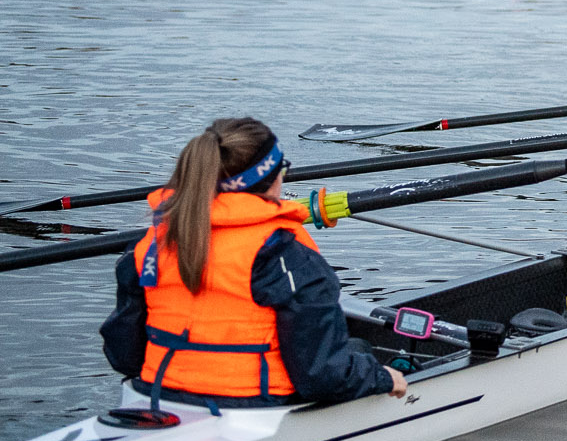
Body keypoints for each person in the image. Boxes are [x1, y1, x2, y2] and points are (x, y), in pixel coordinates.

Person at [99, 117, 405, 412]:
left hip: (156, 399)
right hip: (253, 411)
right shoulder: (284, 257)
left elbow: (124, 356)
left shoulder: (149, 247)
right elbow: (321, 377)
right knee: (360, 351)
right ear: (271, 179)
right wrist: (382, 376)